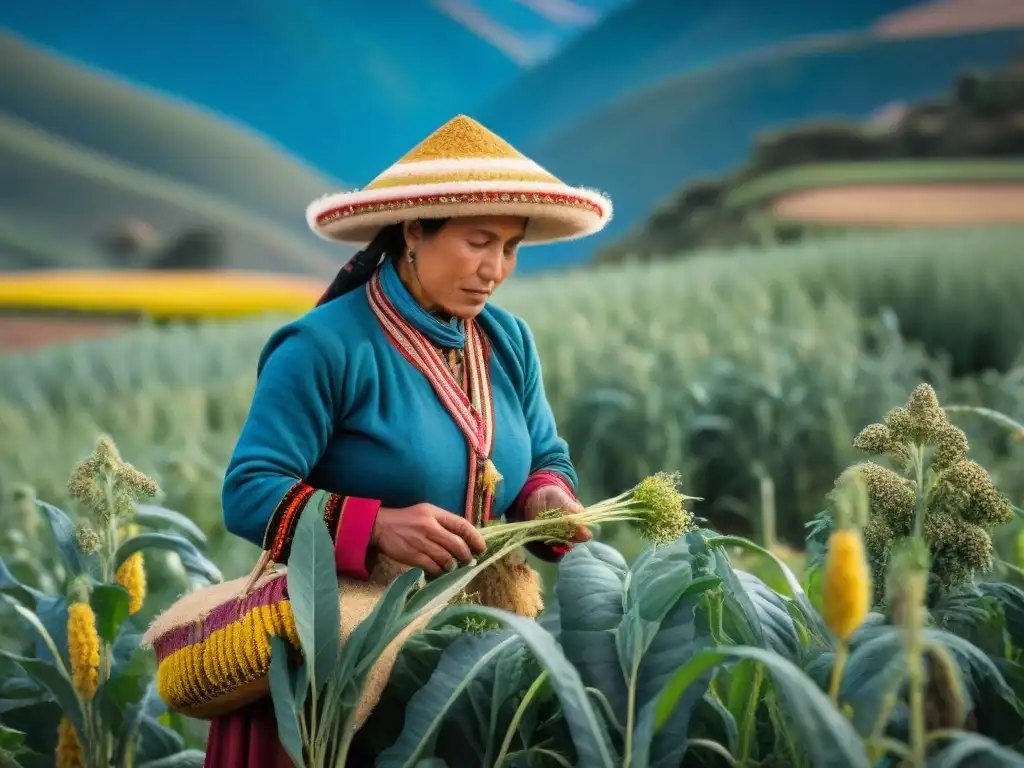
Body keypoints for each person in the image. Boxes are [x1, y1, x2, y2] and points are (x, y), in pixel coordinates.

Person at [202, 114, 613, 766]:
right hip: (341, 669)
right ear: (414, 231)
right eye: (478, 241)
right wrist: (376, 527)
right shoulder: (323, 347)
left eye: (510, 247)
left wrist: (544, 499)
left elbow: (543, 455)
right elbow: (249, 492)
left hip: (471, 660)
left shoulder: (506, 342)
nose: (495, 268)